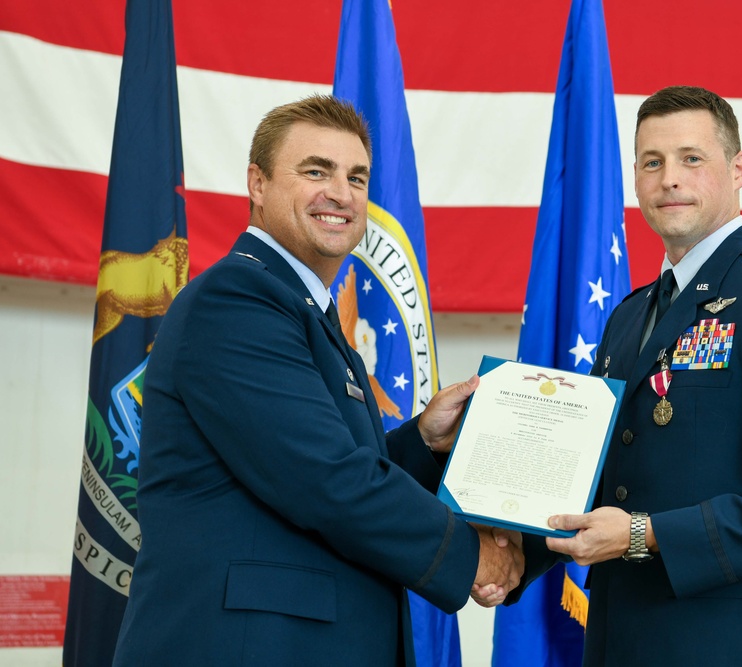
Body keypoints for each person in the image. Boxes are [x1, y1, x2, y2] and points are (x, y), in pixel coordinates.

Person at [112, 94, 522, 667]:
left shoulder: (302, 310)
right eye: (315, 171)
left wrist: (423, 442)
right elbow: (325, 478)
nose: (342, 194)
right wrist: (471, 556)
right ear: (257, 183)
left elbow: (306, 472)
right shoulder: (236, 301)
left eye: (357, 177)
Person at [540, 86, 742, 665]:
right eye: (651, 162)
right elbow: (597, 478)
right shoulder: (628, 317)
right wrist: (507, 549)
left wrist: (645, 534)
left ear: (739, 169)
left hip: (730, 645)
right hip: (621, 641)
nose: (670, 178)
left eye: (691, 158)